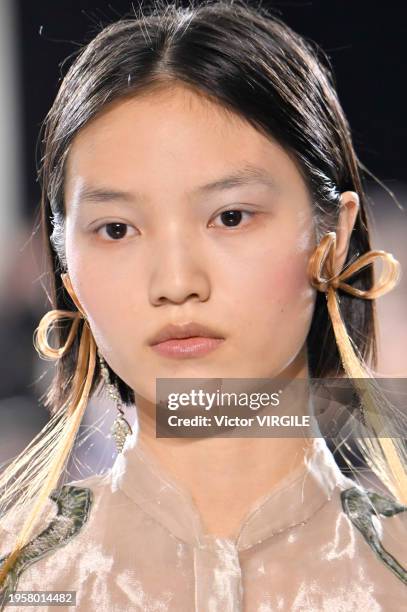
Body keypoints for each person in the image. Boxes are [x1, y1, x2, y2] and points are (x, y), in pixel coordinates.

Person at [1, 1, 406, 609]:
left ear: (333, 236)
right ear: (66, 266)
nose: (176, 281)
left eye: (231, 217)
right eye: (116, 229)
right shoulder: (20, 577)